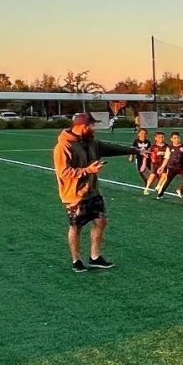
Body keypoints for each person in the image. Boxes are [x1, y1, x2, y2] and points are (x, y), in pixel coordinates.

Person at [52, 113, 135, 272]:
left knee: (100, 221)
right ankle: (76, 260)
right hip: (74, 195)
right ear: (82, 126)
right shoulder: (63, 147)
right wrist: (87, 170)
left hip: (92, 191)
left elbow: (109, 148)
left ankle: (95, 257)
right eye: (92, 125)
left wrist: (134, 150)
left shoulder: (90, 141)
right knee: (76, 227)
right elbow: (64, 172)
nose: (94, 128)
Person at [155, 132, 183, 200]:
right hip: (171, 168)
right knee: (167, 181)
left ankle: (180, 190)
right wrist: (162, 167)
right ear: (171, 139)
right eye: (175, 138)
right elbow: (166, 158)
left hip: (181, 168)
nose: (177, 139)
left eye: (178, 138)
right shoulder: (169, 147)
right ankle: (160, 194)